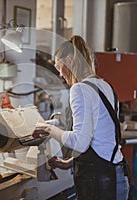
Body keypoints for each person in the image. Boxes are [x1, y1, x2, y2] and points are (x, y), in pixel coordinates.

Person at [33, 35, 129, 200]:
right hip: (116, 176)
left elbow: (79, 141)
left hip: (101, 184)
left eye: (58, 67)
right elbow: (99, 139)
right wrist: (69, 163)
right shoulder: (105, 86)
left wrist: (49, 129)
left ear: (69, 60)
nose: (60, 74)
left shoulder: (79, 89)